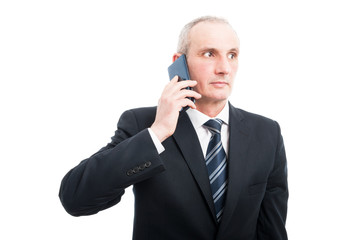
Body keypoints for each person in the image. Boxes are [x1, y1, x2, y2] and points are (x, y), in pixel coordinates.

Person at [59, 16, 288, 239]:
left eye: (232, 55)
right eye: (209, 54)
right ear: (179, 62)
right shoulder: (142, 124)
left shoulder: (267, 134)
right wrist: (157, 133)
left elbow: (272, 230)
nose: (224, 68)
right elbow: (75, 199)